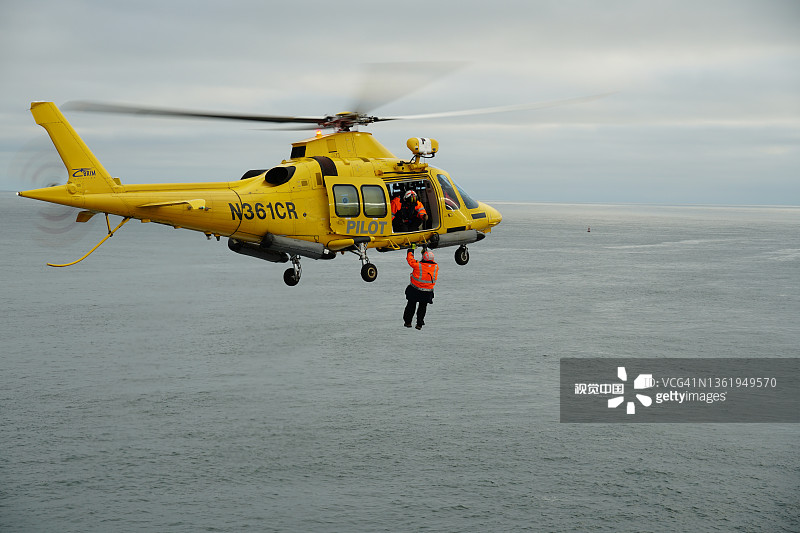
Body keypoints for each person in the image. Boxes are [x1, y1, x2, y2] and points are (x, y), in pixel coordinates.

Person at [403, 245, 438, 330]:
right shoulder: (436, 267)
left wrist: (411, 250)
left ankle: (408, 322)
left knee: (411, 306)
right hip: (427, 292)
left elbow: (410, 260)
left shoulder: (418, 265)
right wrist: (425, 250)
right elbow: (426, 260)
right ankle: (419, 324)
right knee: (422, 307)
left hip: (415, 289)